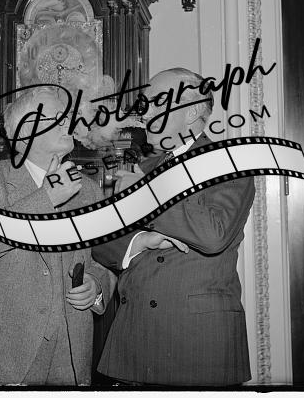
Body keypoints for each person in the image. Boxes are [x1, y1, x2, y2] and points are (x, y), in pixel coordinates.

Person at [92, 68, 256, 386]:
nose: (143, 113)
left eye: (154, 101)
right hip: (134, 342)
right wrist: (140, 241)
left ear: (192, 111)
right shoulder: (142, 168)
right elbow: (102, 245)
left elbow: (213, 235)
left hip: (197, 344)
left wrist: (150, 194)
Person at [0, 86, 115, 385]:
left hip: (70, 352)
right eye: (59, 117)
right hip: (7, 352)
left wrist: (96, 287)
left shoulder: (88, 190)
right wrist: (47, 198)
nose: (70, 123)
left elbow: (105, 260)